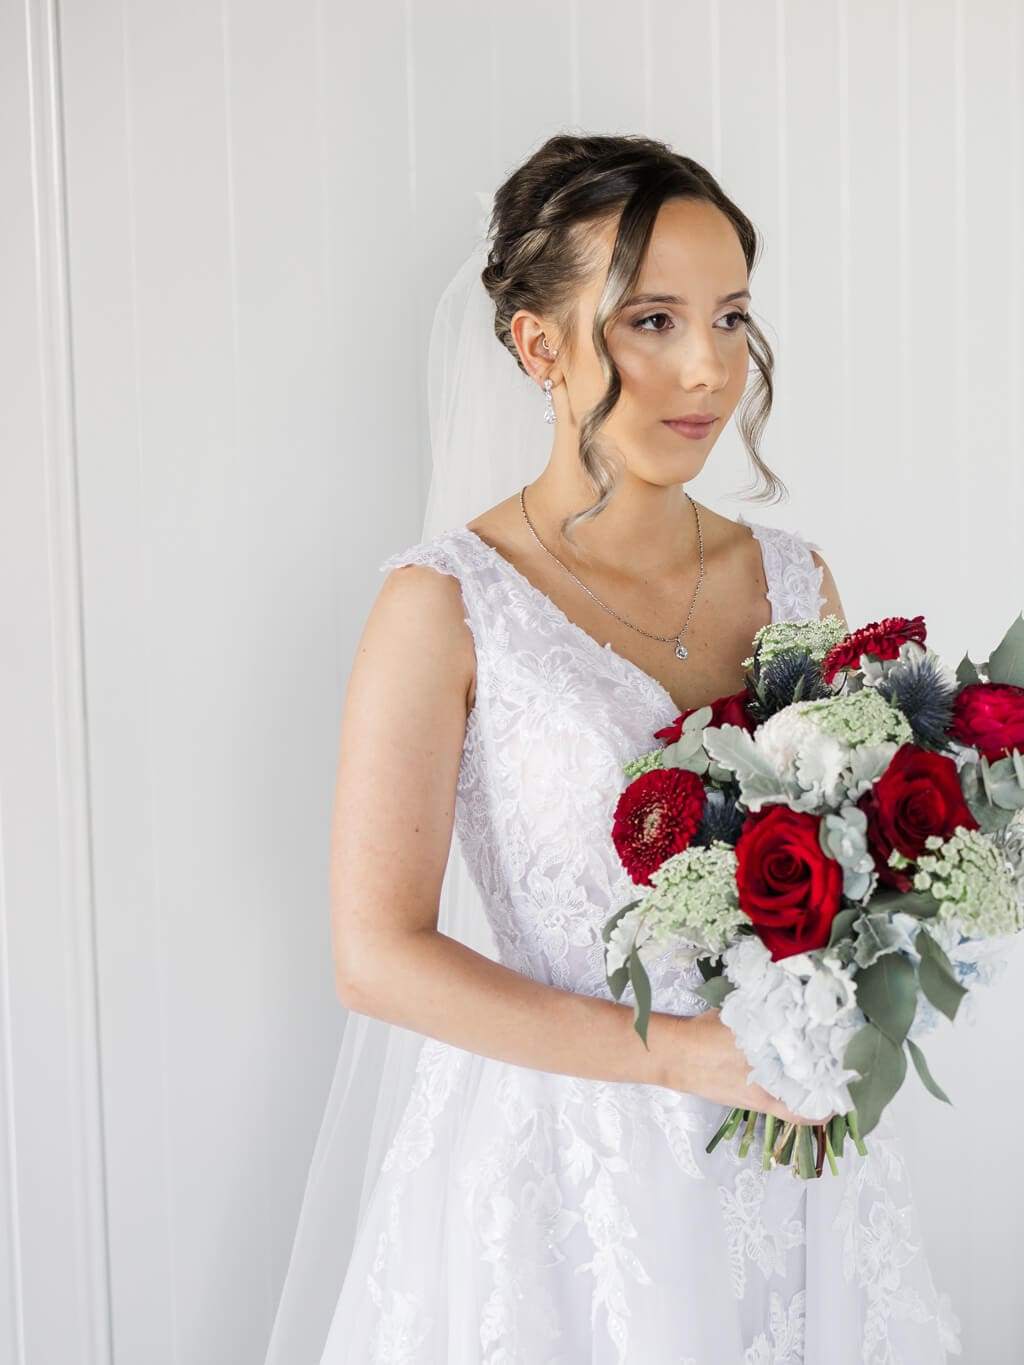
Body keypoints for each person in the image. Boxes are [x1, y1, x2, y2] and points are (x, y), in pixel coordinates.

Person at [265, 133, 960, 1364]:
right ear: (539, 346)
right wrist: (680, 1056)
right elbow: (376, 958)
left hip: (781, 1158)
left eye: (731, 317)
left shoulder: (794, 580)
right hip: (560, 1183)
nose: (707, 369)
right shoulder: (445, 605)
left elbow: (858, 865)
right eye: (650, 321)